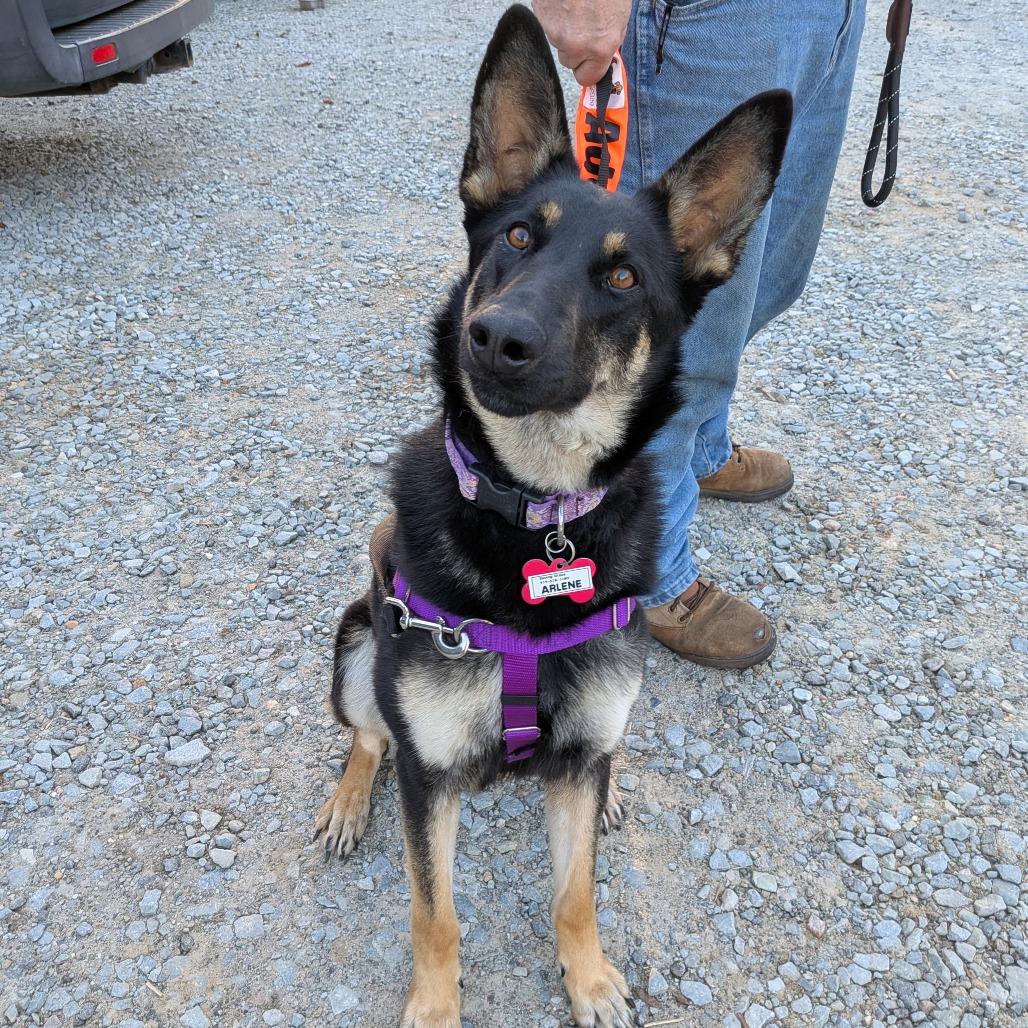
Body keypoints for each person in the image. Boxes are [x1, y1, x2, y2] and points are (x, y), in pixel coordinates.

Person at [533, 0, 867, 669]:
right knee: (664, 324)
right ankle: (651, 571)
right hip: (708, 16)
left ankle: (700, 447)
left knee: (768, 276)